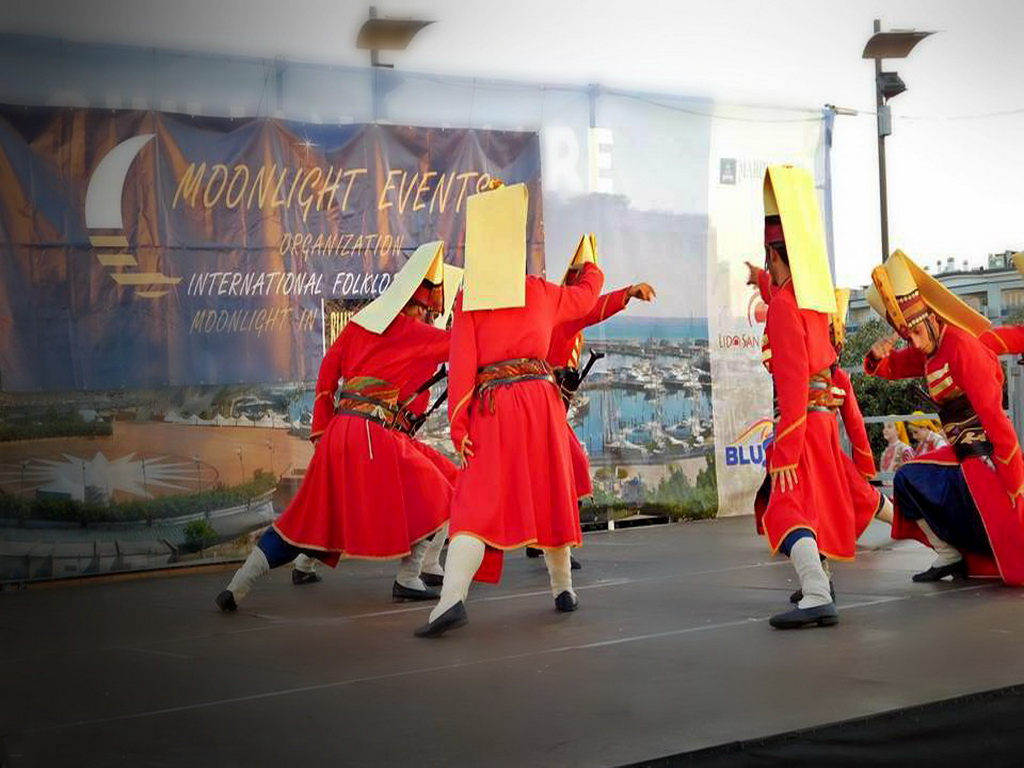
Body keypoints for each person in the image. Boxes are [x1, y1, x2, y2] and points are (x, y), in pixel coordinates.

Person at [216, 242, 458, 611]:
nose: (427, 315)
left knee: (303, 520)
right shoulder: (410, 331)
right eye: (425, 307)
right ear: (411, 301)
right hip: (371, 437)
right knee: (440, 490)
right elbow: (459, 345)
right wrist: (479, 313)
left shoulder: (358, 326)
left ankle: (236, 586)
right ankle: (409, 577)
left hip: (339, 433)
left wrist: (321, 428)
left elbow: (328, 374)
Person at [414, 182, 604, 638]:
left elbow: (460, 367)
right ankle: (564, 589)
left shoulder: (471, 301)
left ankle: (450, 600)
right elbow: (587, 296)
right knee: (550, 495)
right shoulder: (540, 292)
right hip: (540, 404)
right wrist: (591, 263)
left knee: (475, 503)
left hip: (494, 407)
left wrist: (459, 425)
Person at [863, 249, 1024, 585]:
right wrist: (878, 357)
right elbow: (895, 365)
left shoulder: (962, 347)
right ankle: (949, 555)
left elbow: (994, 418)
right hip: (959, 457)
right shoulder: (929, 350)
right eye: (909, 338)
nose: (915, 344)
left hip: (986, 459)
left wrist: (1014, 480)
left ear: (933, 318)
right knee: (907, 479)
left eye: (917, 334)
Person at [749, 165, 855, 630]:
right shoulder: (812, 303)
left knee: (785, 507)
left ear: (778, 252)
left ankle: (815, 591)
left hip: (803, 425)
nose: (769, 264)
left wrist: (785, 449)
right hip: (821, 423)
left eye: (770, 257)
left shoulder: (786, 308)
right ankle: (821, 583)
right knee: (810, 507)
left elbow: (792, 382)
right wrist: (762, 281)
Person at [524, 233, 657, 566]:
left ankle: (543, 541)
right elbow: (594, 310)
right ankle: (554, 543)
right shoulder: (565, 313)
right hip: (544, 409)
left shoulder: (558, 312)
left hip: (549, 409)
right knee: (570, 471)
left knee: (563, 472)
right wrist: (626, 293)